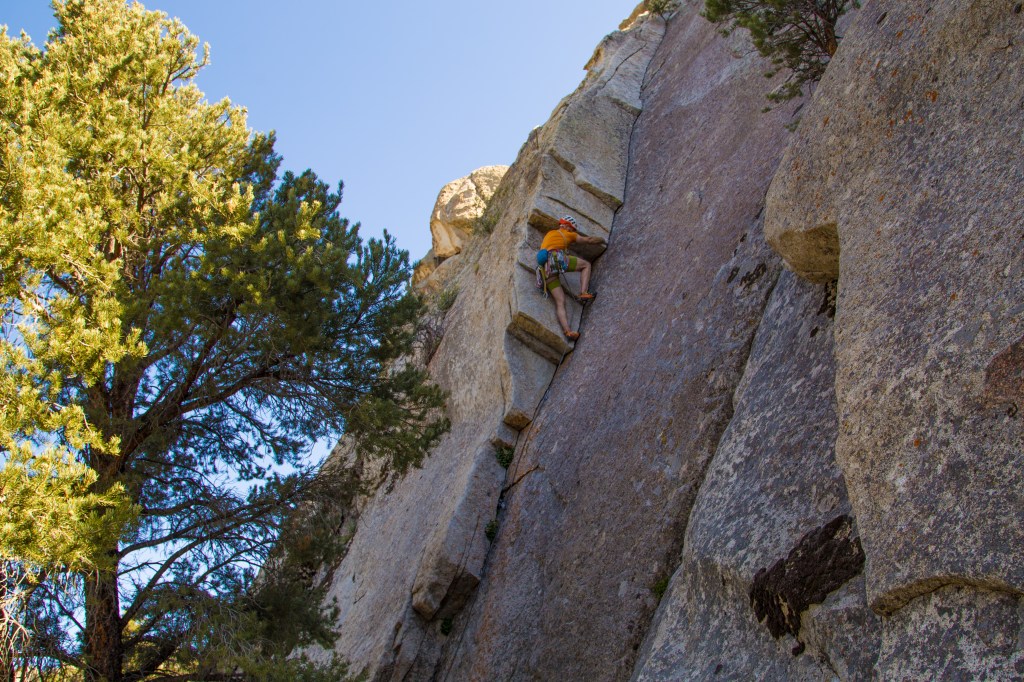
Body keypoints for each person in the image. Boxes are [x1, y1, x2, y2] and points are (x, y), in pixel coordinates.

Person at [537, 215, 606, 341]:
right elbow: (589, 240)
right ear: (569, 226)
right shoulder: (569, 234)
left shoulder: (550, 233)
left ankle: (568, 331)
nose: (573, 232)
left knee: (560, 301)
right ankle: (584, 292)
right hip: (556, 259)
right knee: (586, 265)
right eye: (573, 229)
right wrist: (602, 239)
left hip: (544, 270)